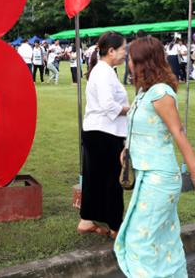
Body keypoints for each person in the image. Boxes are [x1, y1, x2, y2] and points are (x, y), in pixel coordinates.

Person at [115, 36, 195, 277]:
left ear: (143, 62)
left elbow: (178, 132)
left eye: (130, 59)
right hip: (146, 176)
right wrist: (127, 150)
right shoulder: (144, 92)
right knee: (164, 238)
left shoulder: (160, 93)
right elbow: (141, 127)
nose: (127, 63)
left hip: (159, 178)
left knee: (140, 239)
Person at [78, 32, 129, 239]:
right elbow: (110, 106)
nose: (125, 53)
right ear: (111, 51)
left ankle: (87, 220)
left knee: (95, 179)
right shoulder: (105, 72)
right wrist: (131, 108)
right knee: (112, 181)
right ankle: (116, 227)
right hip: (105, 133)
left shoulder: (103, 70)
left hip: (97, 131)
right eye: (123, 49)